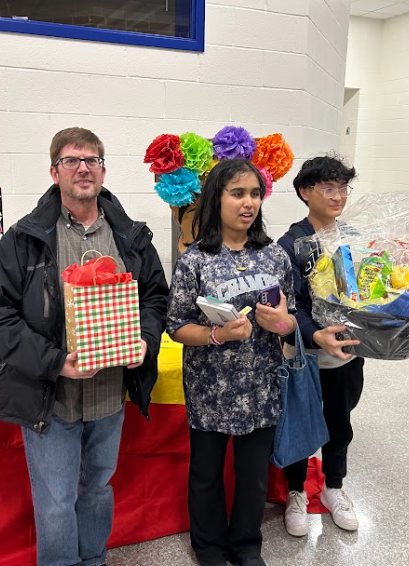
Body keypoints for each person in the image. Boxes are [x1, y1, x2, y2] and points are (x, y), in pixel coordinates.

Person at [0, 127, 169, 566]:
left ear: (103, 170)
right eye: (71, 160)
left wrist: (146, 339)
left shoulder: (130, 237)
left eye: (92, 160)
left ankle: (95, 559)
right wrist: (56, 362)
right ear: (54, 171)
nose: (83, 168)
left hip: (109, 397)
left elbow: (157, 297)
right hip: (51, 397)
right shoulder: (25, 239)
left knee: (98, 489)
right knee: (57, 502)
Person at [166, 159, 297, 566]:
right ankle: (208, 547)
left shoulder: (274, 256)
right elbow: (176, 325)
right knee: (206, 474)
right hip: (210, 387)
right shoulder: (196, 260)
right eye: (238, 193)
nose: (249, 203)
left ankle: (246, 545)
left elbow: (290, 315)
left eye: (255, 194)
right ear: (216, 199)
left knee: (253, 475)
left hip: (261, 386)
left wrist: (284, 323)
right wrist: (217, 334)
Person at [276, 155, 364, 537]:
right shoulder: (291, 243)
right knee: (299, 424)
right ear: (305, 192)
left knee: (339, 423)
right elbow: (290, 303)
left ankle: (334, 488)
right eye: (329, 188)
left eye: (343, 188)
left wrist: (401, 314)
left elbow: (369, 294)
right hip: (303, 357)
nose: (337, 196)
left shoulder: (354, 238)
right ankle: (296, 492)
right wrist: (314, 335)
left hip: (346, 354)